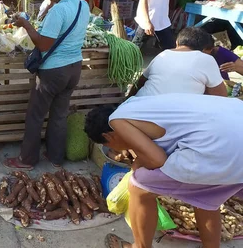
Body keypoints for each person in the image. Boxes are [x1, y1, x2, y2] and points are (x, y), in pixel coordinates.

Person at [84, 94, 243, 248]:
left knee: (138, 186)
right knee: (206, 195)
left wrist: (136, 166)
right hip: (235, 120)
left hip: (221, 149)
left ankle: (139, 246)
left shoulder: (117, 122)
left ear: (108, 136)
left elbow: (158, 160)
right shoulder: (136, 104)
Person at [3, 0, 90, 169]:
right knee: (59, 115)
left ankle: (27, 159)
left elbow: (43, 44)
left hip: (53, 71)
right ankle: (55, 157)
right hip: (74, 68)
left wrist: (26, 24)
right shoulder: (82, 5)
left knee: (35, 115)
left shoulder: (58, 11)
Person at [128, 27, 227, 98]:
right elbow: (221, 97)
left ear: (177, 43)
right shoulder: (206, 59)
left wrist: (126, 100)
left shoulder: (163, 55)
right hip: (171, 117)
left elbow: (140, 82)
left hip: (137, 107)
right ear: (205, 49)